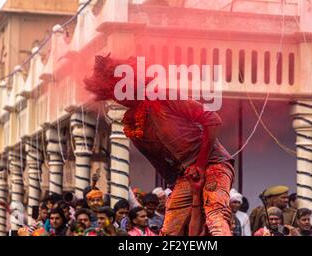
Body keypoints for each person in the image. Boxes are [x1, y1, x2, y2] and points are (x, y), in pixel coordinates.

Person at [86, 55, 235, 236]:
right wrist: (180, 189)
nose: (119, 97)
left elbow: (212, 120)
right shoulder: (133, 126)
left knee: (215, 217)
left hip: (214, 163)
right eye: (113, 93)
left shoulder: (163, 96)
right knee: (168, 231)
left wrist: (200, 165)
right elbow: (162, 166)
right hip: (185, 176)